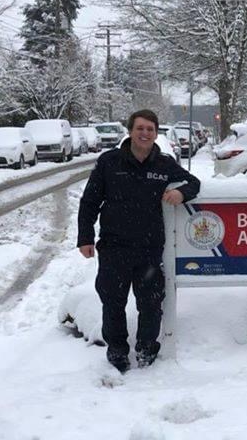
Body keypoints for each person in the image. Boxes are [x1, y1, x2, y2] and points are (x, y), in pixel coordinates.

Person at [77, 109, 201, 373]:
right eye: (140, 128)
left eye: (150, 129)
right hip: (114, 247)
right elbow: (89, 202)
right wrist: (85, 237)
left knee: (151, 303)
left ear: (156, 133)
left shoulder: (163, 163)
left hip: (149, 248)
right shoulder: (109, 162)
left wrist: (181, 192)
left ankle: (146, 348)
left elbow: (194, 182)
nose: (145, 133)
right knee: (113, 302)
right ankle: (117, 350)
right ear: (130, 131)